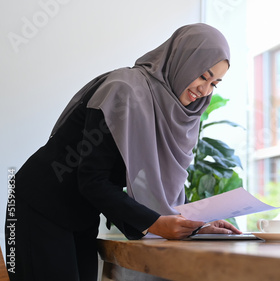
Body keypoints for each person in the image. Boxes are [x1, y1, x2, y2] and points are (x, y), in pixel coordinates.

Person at [5, 23, 241, 281]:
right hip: (38, 206)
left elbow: (156, 191)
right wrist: (155, 223)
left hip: (81, 216)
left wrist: (196, 226)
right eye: (203, 76)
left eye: (215, 84)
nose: (205, 91)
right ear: (183, 60)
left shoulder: (171, 113)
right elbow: (93, 180)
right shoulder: (124, 90)